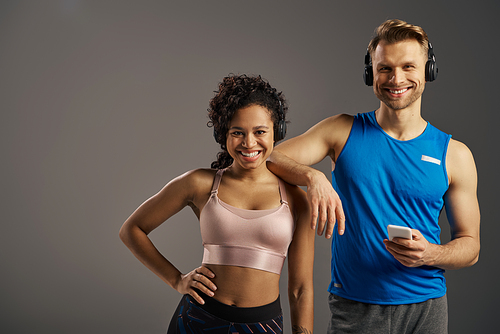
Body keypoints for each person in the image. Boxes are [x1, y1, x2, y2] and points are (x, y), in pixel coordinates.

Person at [268, 19, 480, 333]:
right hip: (355, 306)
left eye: (409, 66)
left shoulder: (455, 154)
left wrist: (432, 253)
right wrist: (314, 177)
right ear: (371, 73)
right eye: (385, 68)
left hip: (427, 310)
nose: (396, 79)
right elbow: (270, 155)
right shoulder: (340, 131)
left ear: (428, 71)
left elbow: (471, 246)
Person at [119, 74, 315, 333]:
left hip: (262, 326)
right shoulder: (199, 183)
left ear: (277, 132)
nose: (248, 143)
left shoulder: (297, 200)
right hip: (199, 319)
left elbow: (301, 289)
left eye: (260, 132)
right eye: (237, 132)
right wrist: (177, 280)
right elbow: (131, 230)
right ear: (222, 134)